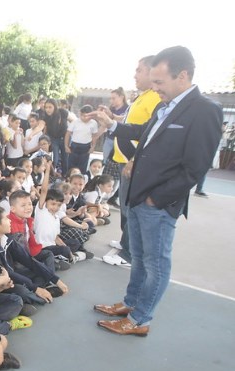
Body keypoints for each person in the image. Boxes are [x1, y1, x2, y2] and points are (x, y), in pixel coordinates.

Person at [89, 46, 223, 336]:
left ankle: (141, 319)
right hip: (138, 196)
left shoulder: (204, 111)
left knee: (155, 264)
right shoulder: (164, 106)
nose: (155, 87)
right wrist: (112, 125)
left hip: (158, 204)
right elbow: (141, 133)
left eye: (160, 82)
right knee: (138, 257)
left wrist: (156, 199)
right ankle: (131, 303)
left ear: (183, 75)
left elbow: (195, 168)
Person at [100, 55, 162, 264]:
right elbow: (131, 123)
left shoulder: (154, 97)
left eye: (139, 70)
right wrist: (112, 119)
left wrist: (135, 158)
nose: (135, 75)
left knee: (131, 207)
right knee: (126, 206)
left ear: (151, 72)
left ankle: (129, 253)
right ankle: (126, 243)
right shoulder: (142, 96)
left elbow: (150, 133)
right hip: (124, 159)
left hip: (133, 162)